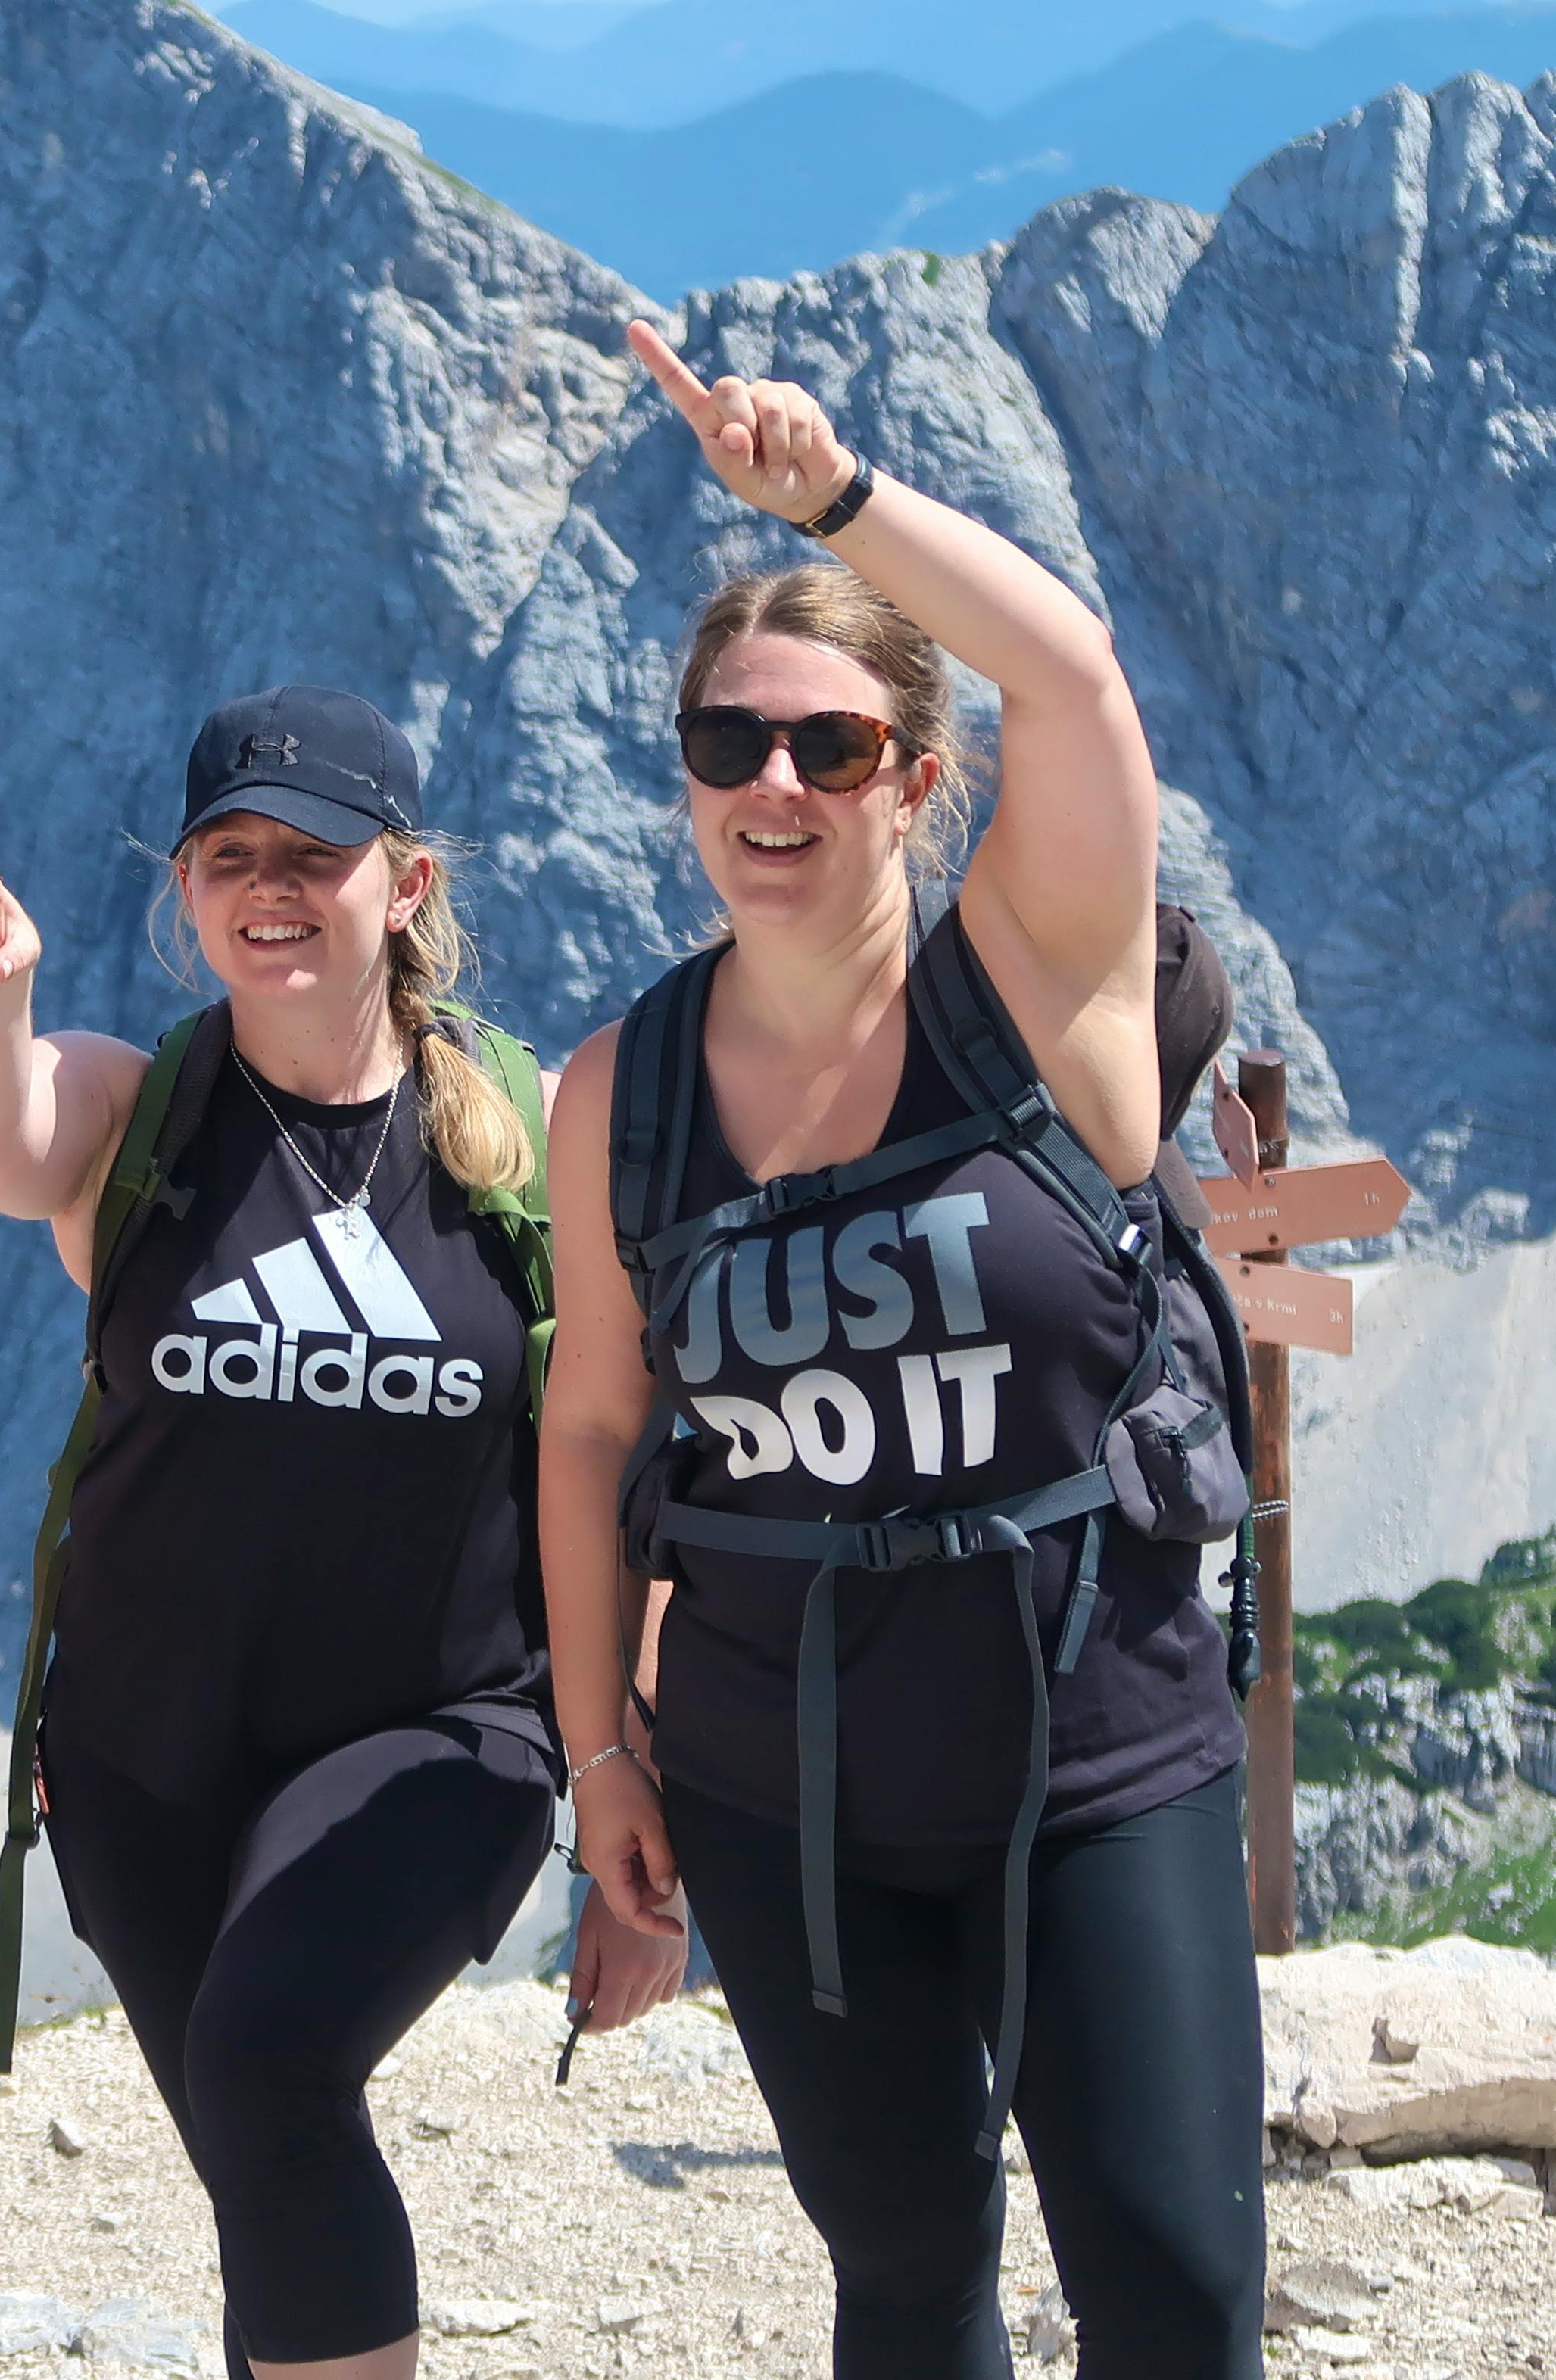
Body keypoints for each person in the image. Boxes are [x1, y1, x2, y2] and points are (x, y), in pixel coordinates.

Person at [538, 324, 1266, 2377]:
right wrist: (604, 1760)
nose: (773, 784)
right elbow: (592, 1431)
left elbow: (1078, 677)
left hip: (1095, 1754)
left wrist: (834, 500)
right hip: (784, 1786)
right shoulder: (627, 1092)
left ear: (918, 778)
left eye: (830, 745)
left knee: (1176, 2288)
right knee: (907, 2276)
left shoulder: (1038, 982)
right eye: (726, 745)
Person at [0, 688, 684, 2380]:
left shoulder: (525, 1148)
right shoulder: (141, 1114)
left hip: (440, 1742)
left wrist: (632, 1772)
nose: (270, 886)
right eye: (228, 855)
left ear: (403, 884)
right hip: (142, 1762)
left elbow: (624, 1484)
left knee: (267, 2074)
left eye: (314, 856)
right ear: (184, 891)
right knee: (268, 2161)